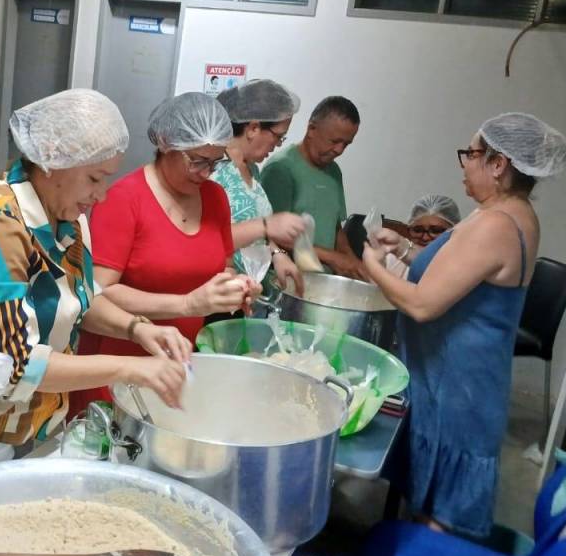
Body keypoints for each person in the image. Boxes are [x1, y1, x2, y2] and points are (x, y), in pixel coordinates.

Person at [0, 89, 190, 490]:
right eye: (94, 178)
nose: (101, 195)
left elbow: (77, 300)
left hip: (30, 422)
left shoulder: (66, 217)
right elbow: (15, 366)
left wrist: (138, 329)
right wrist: (129, 368)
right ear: (53, 159)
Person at [362, 113, 566, 538]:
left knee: (438, 521)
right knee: (423, 503)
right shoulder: (500, 213)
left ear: (498, 164)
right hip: (449, 381)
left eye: (472, 153)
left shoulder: (497, 225)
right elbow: (455, 269)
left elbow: (422, 304)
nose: (464, 163)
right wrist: (403, 248)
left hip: (459, 390)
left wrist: (372, 266)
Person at [79, 92, 260, 365]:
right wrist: (186, 304)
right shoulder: (123, 199)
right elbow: (99, 292)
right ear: (166, 144)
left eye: (215, 162)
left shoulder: (215, 197)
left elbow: (223, 268)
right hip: (118, 360)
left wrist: (235, 287)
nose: (206, 172)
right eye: (197, 160)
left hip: (179, 357)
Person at [213, 79, 306, 294]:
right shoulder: (213, 168)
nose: (277, 146)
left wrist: (277, 254)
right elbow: (207, 239)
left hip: (246, 293)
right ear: (253, 128)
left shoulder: (252, 170)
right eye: (278, 137)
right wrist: (266, 225)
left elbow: (255, 231)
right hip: (217, 291)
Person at [260, 96, 366, 279]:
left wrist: (353, 262)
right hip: (288, 280)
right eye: (334, 141)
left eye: (346, 144)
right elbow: (271, 234)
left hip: (323, 281)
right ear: (312, 129)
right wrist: (333, 258)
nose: (339, 150)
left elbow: (335, 227)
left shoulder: (334, 171)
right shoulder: (280, 169)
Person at [385, 194, 462, 278]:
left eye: (435, 230)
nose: (425, 237)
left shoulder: (464, 265)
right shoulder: (395, 260)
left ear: (453, 230)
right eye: (417, 230)